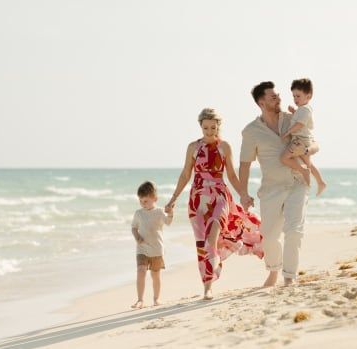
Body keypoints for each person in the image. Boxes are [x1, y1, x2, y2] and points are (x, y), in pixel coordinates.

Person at [165, 108, 264, 300]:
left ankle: (215, 267)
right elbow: (186, 174)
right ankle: (207, 287)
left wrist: (244, 194)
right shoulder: (193, 147)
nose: (209, 131)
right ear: (200, 126)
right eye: (206, 128)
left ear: (218, 126)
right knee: (203, 244)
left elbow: (232, 176)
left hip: (219, 196)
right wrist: (173, 199)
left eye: (213, 127)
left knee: (212, 237)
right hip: (197, 199)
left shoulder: (225, 147)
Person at [239, 81, 319, 287]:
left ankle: (289, 276)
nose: (279, 99)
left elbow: (314, 142)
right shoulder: (250, 131)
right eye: (273, 97)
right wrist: (243, 193)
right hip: (271, 189)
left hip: (297, 183)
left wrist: (307, 151)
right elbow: (245, 165)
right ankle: (274, 270)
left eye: (278, 95)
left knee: (294, 230)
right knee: (269, 237)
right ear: (261, 102)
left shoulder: (294, 119)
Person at [280, 78, 327, 196]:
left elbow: (299, 124)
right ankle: (320, 182)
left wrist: (287, 132)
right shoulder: (302, 109)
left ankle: (304, 171)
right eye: (294, 96)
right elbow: (300, 118)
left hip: (301, 141)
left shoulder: (305, 109)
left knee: (284, 158)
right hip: (302, 140)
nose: (295, 99)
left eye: (298, 96)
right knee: (309, 163)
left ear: (308, 96)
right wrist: (294, 112)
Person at [130, 181, 173, 308]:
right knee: (140, 270)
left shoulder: (159, 212)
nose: (143, 204)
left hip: (156, 250)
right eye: (141, 201)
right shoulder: (138, 213)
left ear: (155, 199)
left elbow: (168, 222)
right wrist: (136, 236)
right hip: (142, 248)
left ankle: (156, 298)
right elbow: (133, 227)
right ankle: (140, 300)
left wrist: (170, 212)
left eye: (146, 201)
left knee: (155, 275)